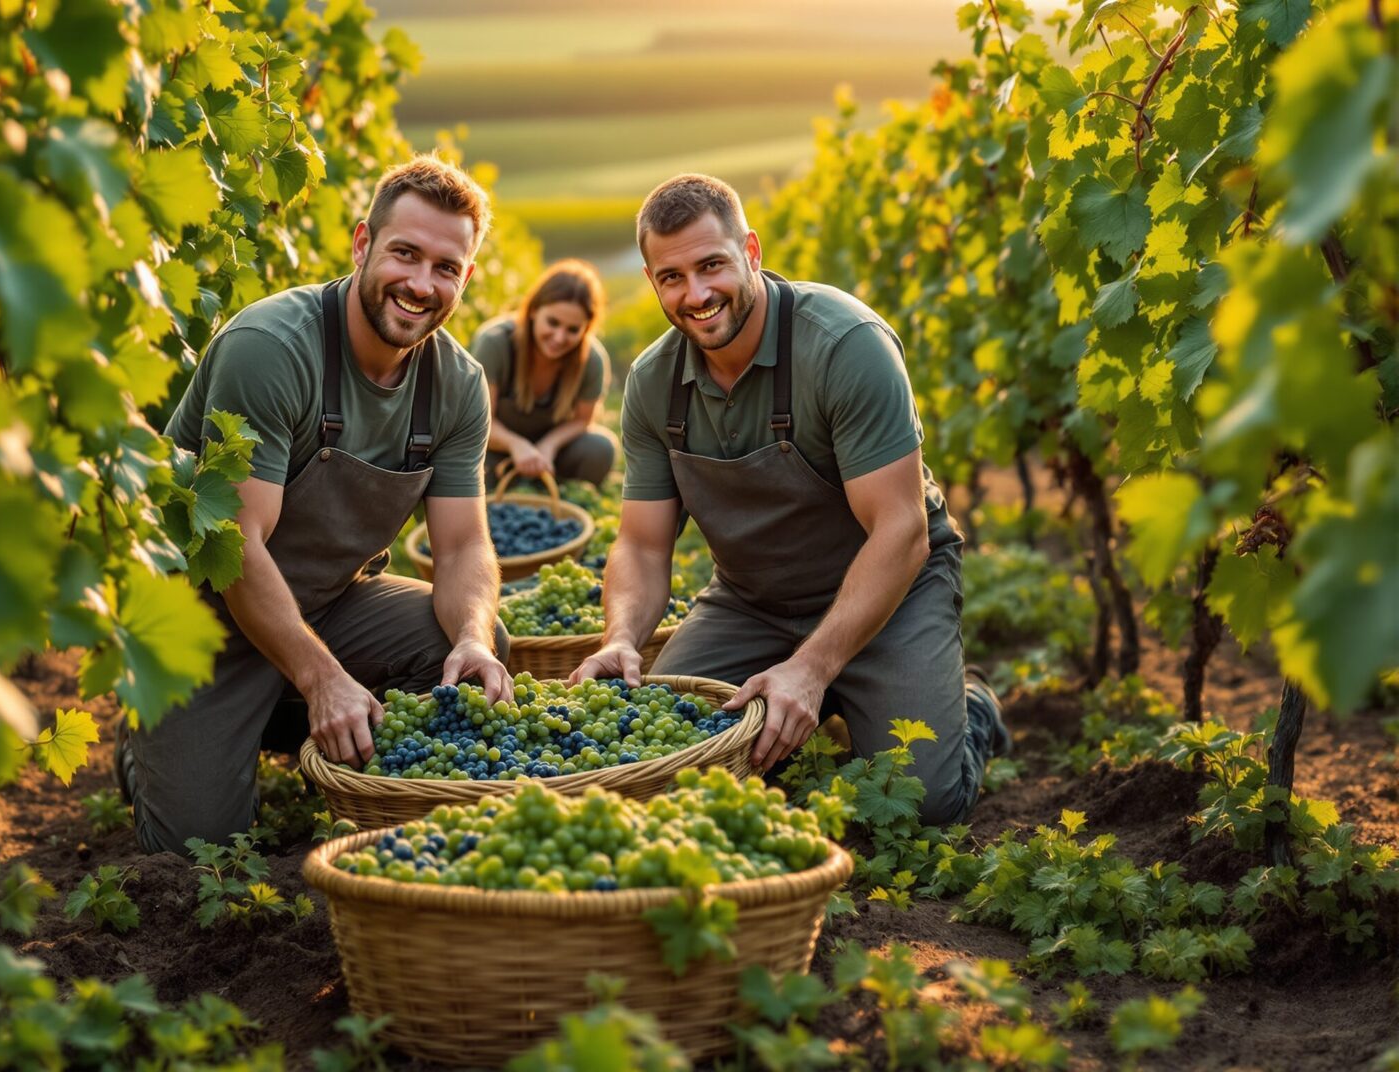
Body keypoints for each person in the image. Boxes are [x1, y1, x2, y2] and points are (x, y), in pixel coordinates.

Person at [572, 173, 1006, 826]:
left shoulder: (844, 346)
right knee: (659, 762)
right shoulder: (654, 382)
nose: (696, 294)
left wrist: (810, 669)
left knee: (922, 804)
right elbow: (641, 542)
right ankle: (824, 697)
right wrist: (622, 636)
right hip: (753, 603)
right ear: (652, 279)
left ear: (750, 251)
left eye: (711, 265)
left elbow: (901, 531)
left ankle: (967, 710)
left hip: (891, 594)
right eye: (671, 277)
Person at [134, 156, 514, 853]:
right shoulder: (272, 349)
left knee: (466, 655)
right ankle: (161, 748)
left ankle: (323, 734)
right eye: (405, 253)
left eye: (446, 267)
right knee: (199, 847)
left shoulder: (457, 385)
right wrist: (322, 678)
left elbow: (463, 547)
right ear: (363, 242)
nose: (421, 284)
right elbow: (236, 547)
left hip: (330, 605)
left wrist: (472, 637)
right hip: (202, 625)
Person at [470, 260, 618, 485]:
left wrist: (549, 446)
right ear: (534, 310)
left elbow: (582, 420)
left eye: (572, 330)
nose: (559, 338)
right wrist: (516, 445)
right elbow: (479, 422)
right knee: (462, 462)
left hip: (551, 455)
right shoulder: (495, 342)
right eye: (553, 322)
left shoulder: (592, 359)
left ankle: (553, 488)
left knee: (600, 448)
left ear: (586, 328)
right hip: (494, 447)